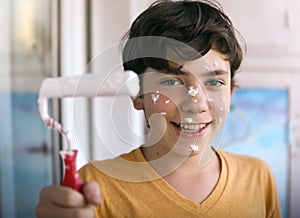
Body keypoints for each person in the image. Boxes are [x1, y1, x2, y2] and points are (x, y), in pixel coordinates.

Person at [35, 0, 282, 217]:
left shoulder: (258, 178)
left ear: (230, 93)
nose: (195, 104)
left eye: (214, 82)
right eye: (171, 81)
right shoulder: (95, 187)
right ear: (138, 94)